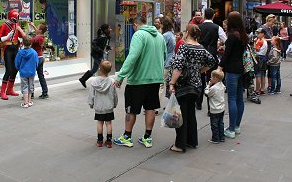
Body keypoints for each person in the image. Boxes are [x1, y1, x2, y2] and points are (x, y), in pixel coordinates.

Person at [114, 16, 166, 148]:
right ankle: (147, 137)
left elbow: (132, 56)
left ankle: (127, 137)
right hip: (155, 79)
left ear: (135, 25)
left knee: (131, 110)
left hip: (138, 80)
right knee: (150, 108)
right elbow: (164, 56)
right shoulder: (160, 37)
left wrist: (121, 76)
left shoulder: (138, 35)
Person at [167, 24, 217, 152]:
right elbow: (212, 61)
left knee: (181, 115)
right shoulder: (200, 48)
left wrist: (172, 83)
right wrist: (200, 70)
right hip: (196, 86)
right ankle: (192, 141)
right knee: (190, 114)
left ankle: (180, 144)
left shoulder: (184, 47)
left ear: (187, 33)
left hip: (183, 85)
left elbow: (178, 67)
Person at [217, 11, 249, 139]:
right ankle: (236, 126)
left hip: (232, 70)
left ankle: (231, 129)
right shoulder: (242, 35)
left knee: (231, 99)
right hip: (241, 69)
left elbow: (226, 55)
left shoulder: (232, 36)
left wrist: (220, 68)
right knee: (239, 99)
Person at [197, 8, 227, 111]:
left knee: (199, 79)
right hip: (212, 54)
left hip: (200, 55)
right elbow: (225, 40)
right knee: (211, 79)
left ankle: (198, 103)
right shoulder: (217, 27)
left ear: (204, 15)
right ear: (213, 16)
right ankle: (210, 107)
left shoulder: (199, 27)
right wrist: (220, 45)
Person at [88, 60, 118, 148]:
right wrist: (115, 104)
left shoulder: (94, 82)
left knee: (100, 123)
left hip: (99, 107)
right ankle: (109, 141)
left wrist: (91, 103)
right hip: (109, 107)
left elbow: (91, 94)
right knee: (109, 123)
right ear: (110, 70)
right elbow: (114, 95)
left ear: (100, 69)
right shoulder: (112, 81)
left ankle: (99, 141)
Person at [17, 22, 49, 99]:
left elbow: (27, 39)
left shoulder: (38, 38)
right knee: (41, 76)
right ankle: (45, 92)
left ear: (40, 30)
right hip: (40, 57)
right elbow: (37, 31)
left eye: (37, 28)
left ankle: (30, 94)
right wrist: (33, 25)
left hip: (35, 58)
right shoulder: (41, 36)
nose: (35, 29)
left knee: (30, 76)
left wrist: (20, 30)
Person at [0, 9, 21, 100]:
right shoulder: (4, 25)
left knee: (15, 69)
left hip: (16, 48)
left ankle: (9, 89)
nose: (17, 20)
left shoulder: (17, 24)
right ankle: (2, 91)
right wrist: (6, 37)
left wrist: (22, 35)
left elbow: (20, 36)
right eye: (15, 18)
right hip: (8, 49)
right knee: (9, 70)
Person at [15, 37, 38, 108]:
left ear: (22, 43)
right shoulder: (34, 52)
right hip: (32, 72)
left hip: (23, 72)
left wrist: (19, 69)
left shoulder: (20, 52)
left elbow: (17, 63)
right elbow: (36, 62)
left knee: (24, 86)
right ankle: (29, 101)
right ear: (31, 43)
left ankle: (25, 103)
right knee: (31, 86)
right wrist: (34, 69)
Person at [204, 69, 226, 144]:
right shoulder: (222, 85)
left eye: (211, 77)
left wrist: (208, 86)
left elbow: (207, 93)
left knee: (214, 124)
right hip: (221, 108)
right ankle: (222, 136)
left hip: (214, 109)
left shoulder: (214, 88)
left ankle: (215, 138)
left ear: (215, 78)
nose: (210, 79)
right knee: (221, 123)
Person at [261, 14, 276, 93]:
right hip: (264, 51)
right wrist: (271, 40)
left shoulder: (270, 28)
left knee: (270, 69)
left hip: (270, 50)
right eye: (272, 22)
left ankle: (269, 85)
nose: (273, 24)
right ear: (268, 20)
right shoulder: (262, 28)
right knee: (263, 69)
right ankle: (262, 86)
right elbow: (260, 38)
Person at [254, 28, 268, 95]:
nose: (257, 34)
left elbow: (256, 49)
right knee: (263, 74)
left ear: (263, 34)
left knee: (258, 74)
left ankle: (257, 90)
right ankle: (262, 89)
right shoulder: (264, 41)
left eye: (258, 33)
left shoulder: (260, 41)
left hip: (259, 57)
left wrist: (254, 43)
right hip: (264, 57)